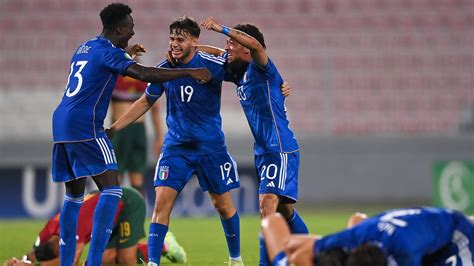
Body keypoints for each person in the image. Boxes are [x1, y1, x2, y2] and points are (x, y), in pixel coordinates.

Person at [51, 3, 210, 265]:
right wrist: (190, 71)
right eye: (131, 29)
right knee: (112, 190)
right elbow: (145, 74)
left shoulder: (85, 47)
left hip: (61, 124)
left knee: (74, 194)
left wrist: (125, 53)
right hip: (85, 125)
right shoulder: (108, 53)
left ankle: (67, 262)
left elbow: (101, 66)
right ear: (119, 28)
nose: (133, 34)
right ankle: (94, 262)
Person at [107, 16, 244, 266]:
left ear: (195, 41)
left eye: (180, 39)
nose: (174, 43)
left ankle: (236, 259)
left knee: (223, 205)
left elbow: (243, 65)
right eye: (172, 38)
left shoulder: (212, 65)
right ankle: (152, 263)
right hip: (176, 148)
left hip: (210, 147)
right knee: (161, 204)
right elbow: (146, 101)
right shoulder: (164, 68)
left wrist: (278, 86)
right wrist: (114, 129)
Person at [200, 17, 309, 265]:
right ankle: (313, 253)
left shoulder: (263, 69)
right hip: (264, 150)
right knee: (284, 210)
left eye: (231, 43)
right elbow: (216, 53)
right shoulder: (239, 74)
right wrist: (191, 48)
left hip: (279, 147)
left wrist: (221, 29)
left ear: (245, 48)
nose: (227, 47)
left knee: (266, 207)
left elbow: (258, 47)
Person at [3, 188, 186, 266]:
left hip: (127, 203)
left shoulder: (73, 225)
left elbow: (71, 260)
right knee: (107, 258)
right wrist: (20, 261)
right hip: (103, 213)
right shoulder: (49, 229)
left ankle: (165, 244)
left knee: (126, 259)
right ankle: (164, 247)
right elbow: (34, 251)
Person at [261, 207, 474, 266]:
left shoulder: (405, 254)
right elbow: (271, 222)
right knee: (357, 220)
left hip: (456, 233)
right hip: (401, 232)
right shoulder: (350, 239)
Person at [111, 70, 164, 196]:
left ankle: (137, 214)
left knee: (137, 177)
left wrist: (159, 138)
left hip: (137, 130)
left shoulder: (143, 75)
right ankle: (115, 213)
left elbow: (155, 109)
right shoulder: (115, 74)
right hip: (119, 131)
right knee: (115, 176)